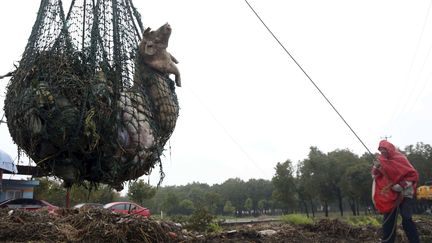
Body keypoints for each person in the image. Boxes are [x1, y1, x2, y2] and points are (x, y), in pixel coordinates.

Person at [371, 140, 420, 243]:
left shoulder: (401, 159)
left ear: (390, 149)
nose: (383, 153)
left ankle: (415, 241)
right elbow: (375, 176)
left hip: (406, 192)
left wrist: (401, 186)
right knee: (389, 220)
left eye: (384, 150)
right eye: (381, 151)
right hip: (391, 193)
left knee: (406, 219)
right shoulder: (381, 160)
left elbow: (413, 176)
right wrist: (376, 168)